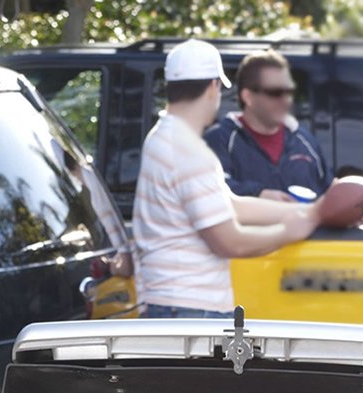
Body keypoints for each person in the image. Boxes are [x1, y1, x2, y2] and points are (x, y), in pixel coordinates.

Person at [132, 39, 317, 319]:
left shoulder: (161, 138)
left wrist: (309, 211)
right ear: (213, 87)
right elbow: (230, 242)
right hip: (190, 309)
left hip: (172, 305)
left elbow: (228, 203)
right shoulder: (189, 152)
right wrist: (289, 231)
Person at [204, 49, 331, 202]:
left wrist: (346, 207)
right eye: (276, 92)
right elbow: (208, 193)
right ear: (248, 97)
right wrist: (259, 194)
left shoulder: (305, 141)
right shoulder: (219, 140)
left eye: (290, 92)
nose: (286, 100)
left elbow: (327, 193)